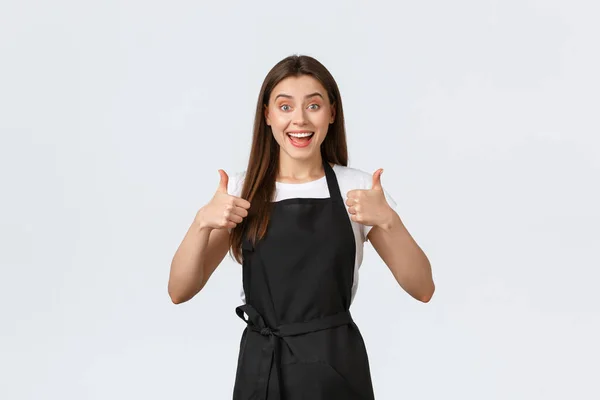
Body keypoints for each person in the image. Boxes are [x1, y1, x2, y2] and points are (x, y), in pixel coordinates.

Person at [168, 54, 434, 400]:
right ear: (267, 114)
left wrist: (389, 221)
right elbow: (180, 290)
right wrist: (201, 222)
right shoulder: (241, 191)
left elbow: (423, 288)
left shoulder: (358, 189)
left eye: (313, 105)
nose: (299, 120)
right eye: (285, 106)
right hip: (262, 370)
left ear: (332, 113)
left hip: (335, 372)